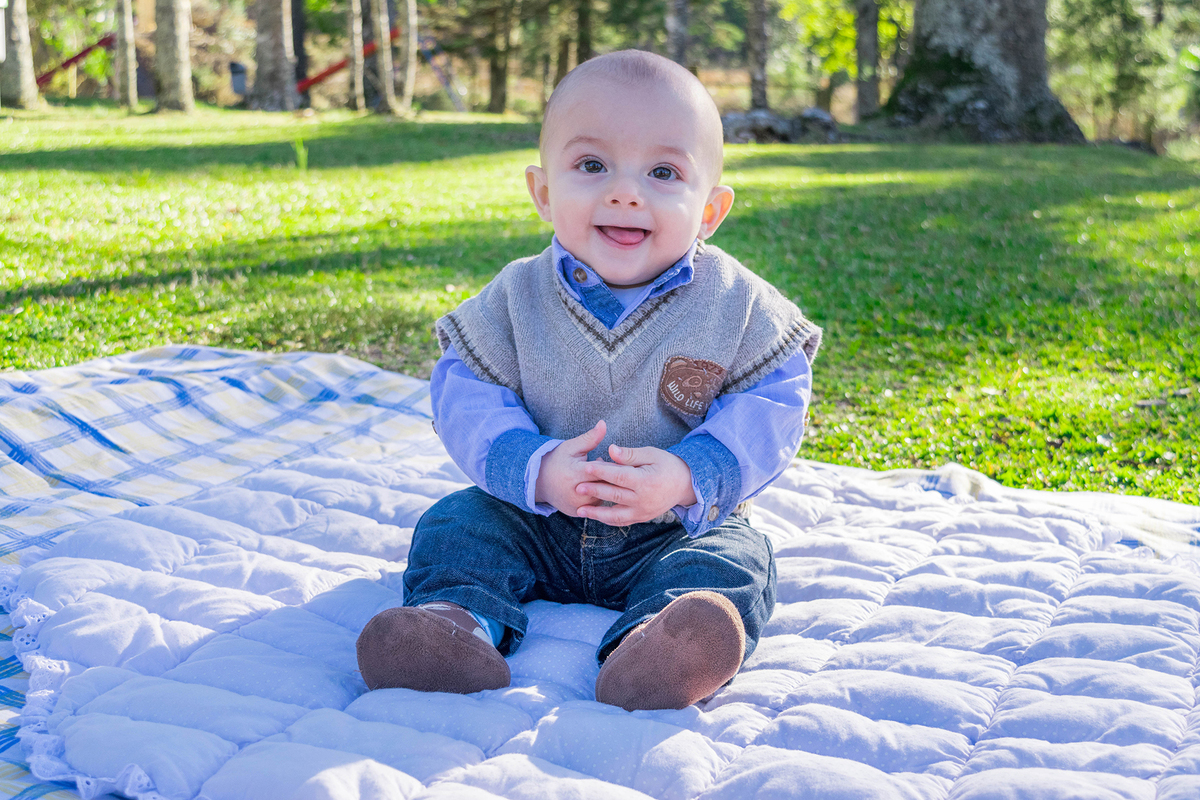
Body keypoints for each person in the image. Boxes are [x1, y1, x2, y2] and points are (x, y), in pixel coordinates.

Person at [355, 49, 822, 712]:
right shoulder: (515, 297)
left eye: (663, 172)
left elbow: (773, 401)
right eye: (592, 165)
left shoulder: (737, 304)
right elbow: (466, 391)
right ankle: (452, 628)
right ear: (544, 192)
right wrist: (535, 467)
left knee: (734, 558)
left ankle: (659, 647)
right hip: (532, 516)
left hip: (673, 525)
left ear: (710, 211)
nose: (626, 192)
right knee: (457, 525)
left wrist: (688, 476)